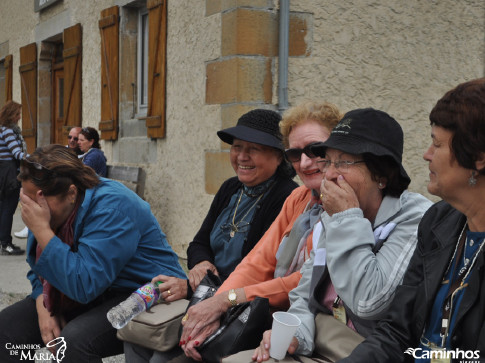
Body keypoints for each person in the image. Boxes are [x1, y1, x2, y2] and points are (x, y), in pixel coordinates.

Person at [253, 108, 432, 362]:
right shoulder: (332, 216)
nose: (330, 174)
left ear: (381, 175)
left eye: (344, 162)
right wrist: (296, 335)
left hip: (368, 353)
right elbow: (303, 295)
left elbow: (369, 302)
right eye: (329, 161)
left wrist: (347, 218)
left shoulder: (415, 218)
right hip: (321, 342)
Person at [124, 109, 299, 361]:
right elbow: (199, 242)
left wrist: (190, 286)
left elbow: (258, 269)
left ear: (279, 156)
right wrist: (201, 263)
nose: (242, 156)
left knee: (163, 356)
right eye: (237, 147)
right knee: (136, 339)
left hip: (243, 308)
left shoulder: (285, 197)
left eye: (254, 149)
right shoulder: (231, 188)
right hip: (205, 293)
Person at [179, 101, 344, 361]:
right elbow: (258, 260)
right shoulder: (299, 198)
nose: (304, 161)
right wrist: (217, 304)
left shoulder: (336, 203)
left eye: (315, 149)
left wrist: (223, 302)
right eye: (295, 153)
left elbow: (303, 282)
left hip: (306, 326)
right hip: (263, 312)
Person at [338, 79, 485, 362]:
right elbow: (396, 332)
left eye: (437, 143)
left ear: (478, 158)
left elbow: (367, 301)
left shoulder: (416, 216)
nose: (426, 154)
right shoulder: (439, 221)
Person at [0, 144, 187, 362]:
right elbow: (39, 266)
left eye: (39, 200)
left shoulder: (112, 207)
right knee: (6, 331)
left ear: (71, 193)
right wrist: (43, 303)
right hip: (95, 289)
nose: (30, 208)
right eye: (27, 198)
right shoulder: (44, 206)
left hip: (144, 293)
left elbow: (84, 285)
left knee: (72, 342)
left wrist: (42, 230)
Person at [0, 100, 26, 255]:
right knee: (8, 209)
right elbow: (17, 153)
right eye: (17, 114)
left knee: (3, 207)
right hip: (9, 172)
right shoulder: (8, 131)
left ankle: (4, 241)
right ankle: (6, 244)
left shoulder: (1, 129)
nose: (20, 117)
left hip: (3, 171)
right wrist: (35, 159)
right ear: (11, 115)